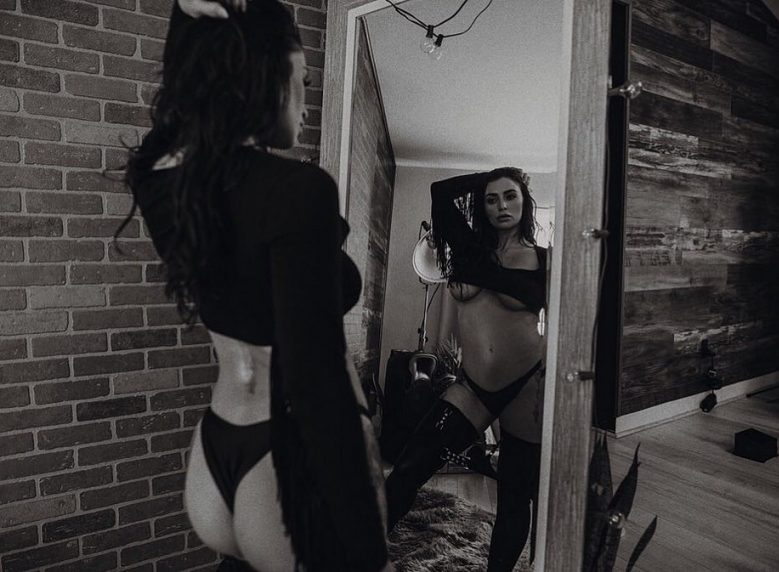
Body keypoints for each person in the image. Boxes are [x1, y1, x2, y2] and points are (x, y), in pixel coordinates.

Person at [116, 1, 392, 570]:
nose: (305, 102)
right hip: (287, 455)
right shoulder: (297, 191)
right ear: (264, 72)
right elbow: (317, 386)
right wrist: (372, 557)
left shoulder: (161, 181)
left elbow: (176, 119)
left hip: (216, 453)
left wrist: (186, 17)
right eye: (302, 80)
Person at [384, 168, 547, 572]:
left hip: (526, 387)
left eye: (511, 195)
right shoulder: (469, 248)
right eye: (492, 199)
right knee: (408, 469)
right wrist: (491, 177)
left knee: (513, 498)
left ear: (525, 201)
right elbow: (440, 192)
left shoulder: (545, 261)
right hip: (472, 387)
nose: (502, 205)